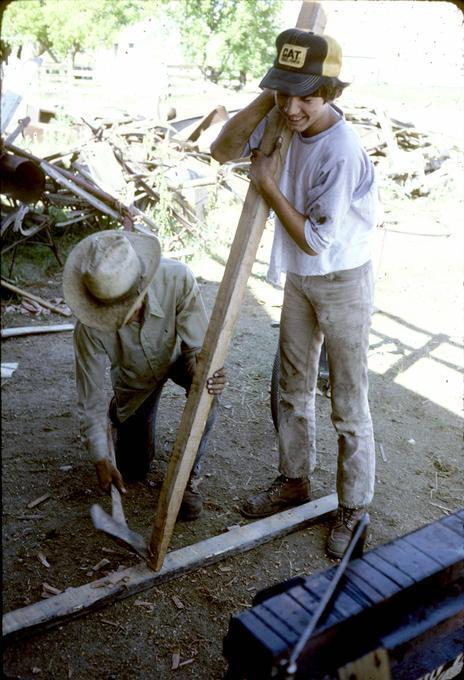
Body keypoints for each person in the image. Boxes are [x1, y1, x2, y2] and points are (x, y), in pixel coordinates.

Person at [211, 29, 378, 558]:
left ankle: (353, 506)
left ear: (331, 93)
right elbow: (222, 149)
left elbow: (314, 237)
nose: (294, 108)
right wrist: (270, 95)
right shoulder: (282, 116)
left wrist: (267, 185)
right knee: (291, 386)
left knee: (348, 401)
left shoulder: (342, 151)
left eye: (307, 96)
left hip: (342, 278)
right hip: (301, 279)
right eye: (287, 93)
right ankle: (293, 480)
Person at [63, 229, 225, 521]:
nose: (128, 318)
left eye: (131, 307)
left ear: (142, 282)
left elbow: (200, 346)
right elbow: (91, 399)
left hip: (179, 357)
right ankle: (121, 414)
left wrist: (208, 371)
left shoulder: (177, 279)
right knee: (133, 469)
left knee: (207, 391)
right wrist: (100, 454)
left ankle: (185, 481)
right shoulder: (88, 328)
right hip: (135, 381)